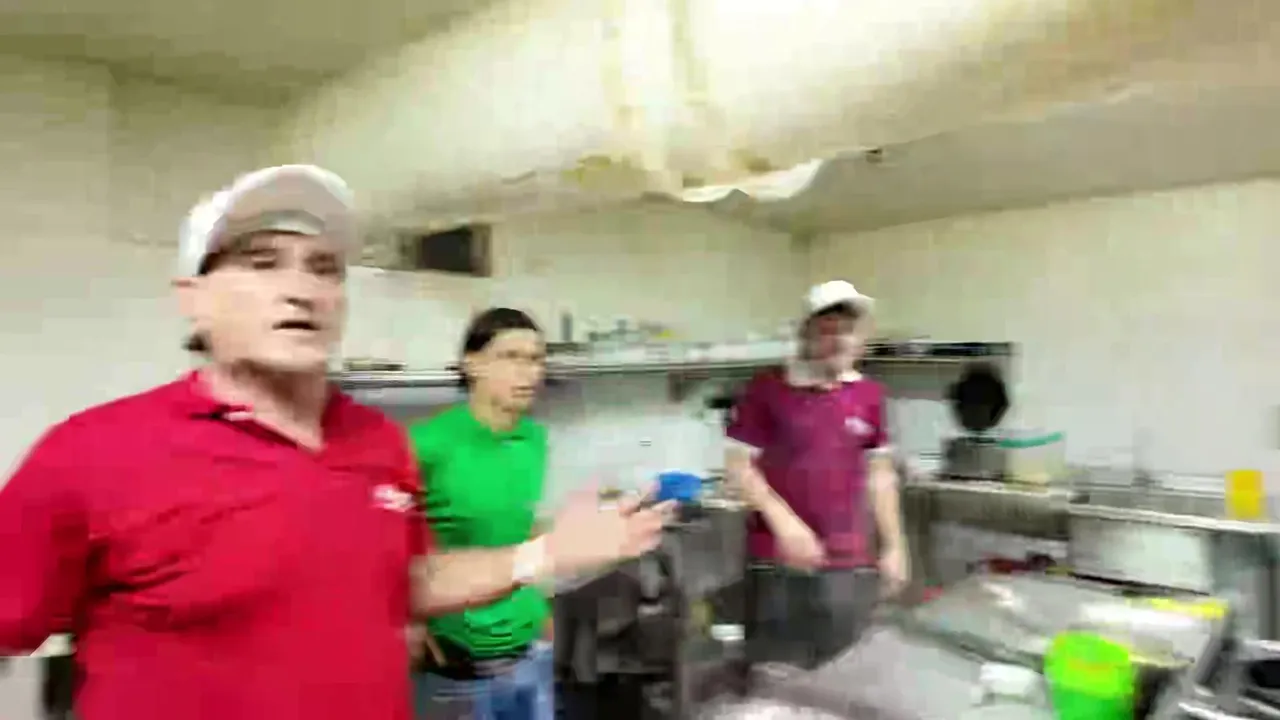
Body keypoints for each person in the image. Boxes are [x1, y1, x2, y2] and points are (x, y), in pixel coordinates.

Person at [0, 165, 670, 720]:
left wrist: (548, 554)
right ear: (193, 298)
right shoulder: (92, 454)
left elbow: (405, 581)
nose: (301, 289)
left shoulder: (378, 443)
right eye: (262, 263)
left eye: (323, 268)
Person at [725, 280, 908, 672]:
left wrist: (894, 546)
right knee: (775, 673)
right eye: (827, 330)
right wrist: (786, 525)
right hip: (778, 559)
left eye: (848, 330)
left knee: (843, 671)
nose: (839, 340)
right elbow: (739, 466)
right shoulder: (768, 388)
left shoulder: (869, 394)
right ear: (805, 335)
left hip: (849, 561)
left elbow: (880, 475)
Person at [409, 307, 556, 720]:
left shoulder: (534, 439)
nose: (528, 373)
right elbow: (381, 542)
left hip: (531, 652)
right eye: (511, 357)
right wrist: (409, 622)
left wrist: (543, 612)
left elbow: (523, 529)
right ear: (471, 364)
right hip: (458, 665)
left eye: (536, 359)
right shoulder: (426, 444)